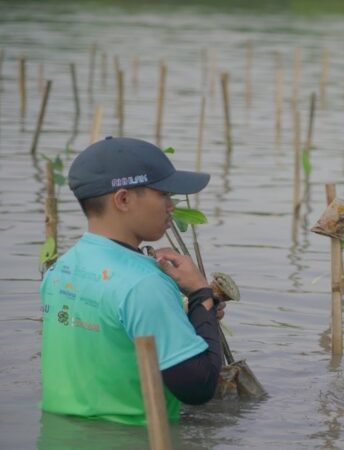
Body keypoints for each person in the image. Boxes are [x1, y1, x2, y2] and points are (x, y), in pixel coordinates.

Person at [40, 136, 224, 425]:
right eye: (163, 193)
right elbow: (198, 386)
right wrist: (202, 296)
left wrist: (189, 314)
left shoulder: (60, 269)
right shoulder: (145, 283)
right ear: (123, 199)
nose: (171, 205)